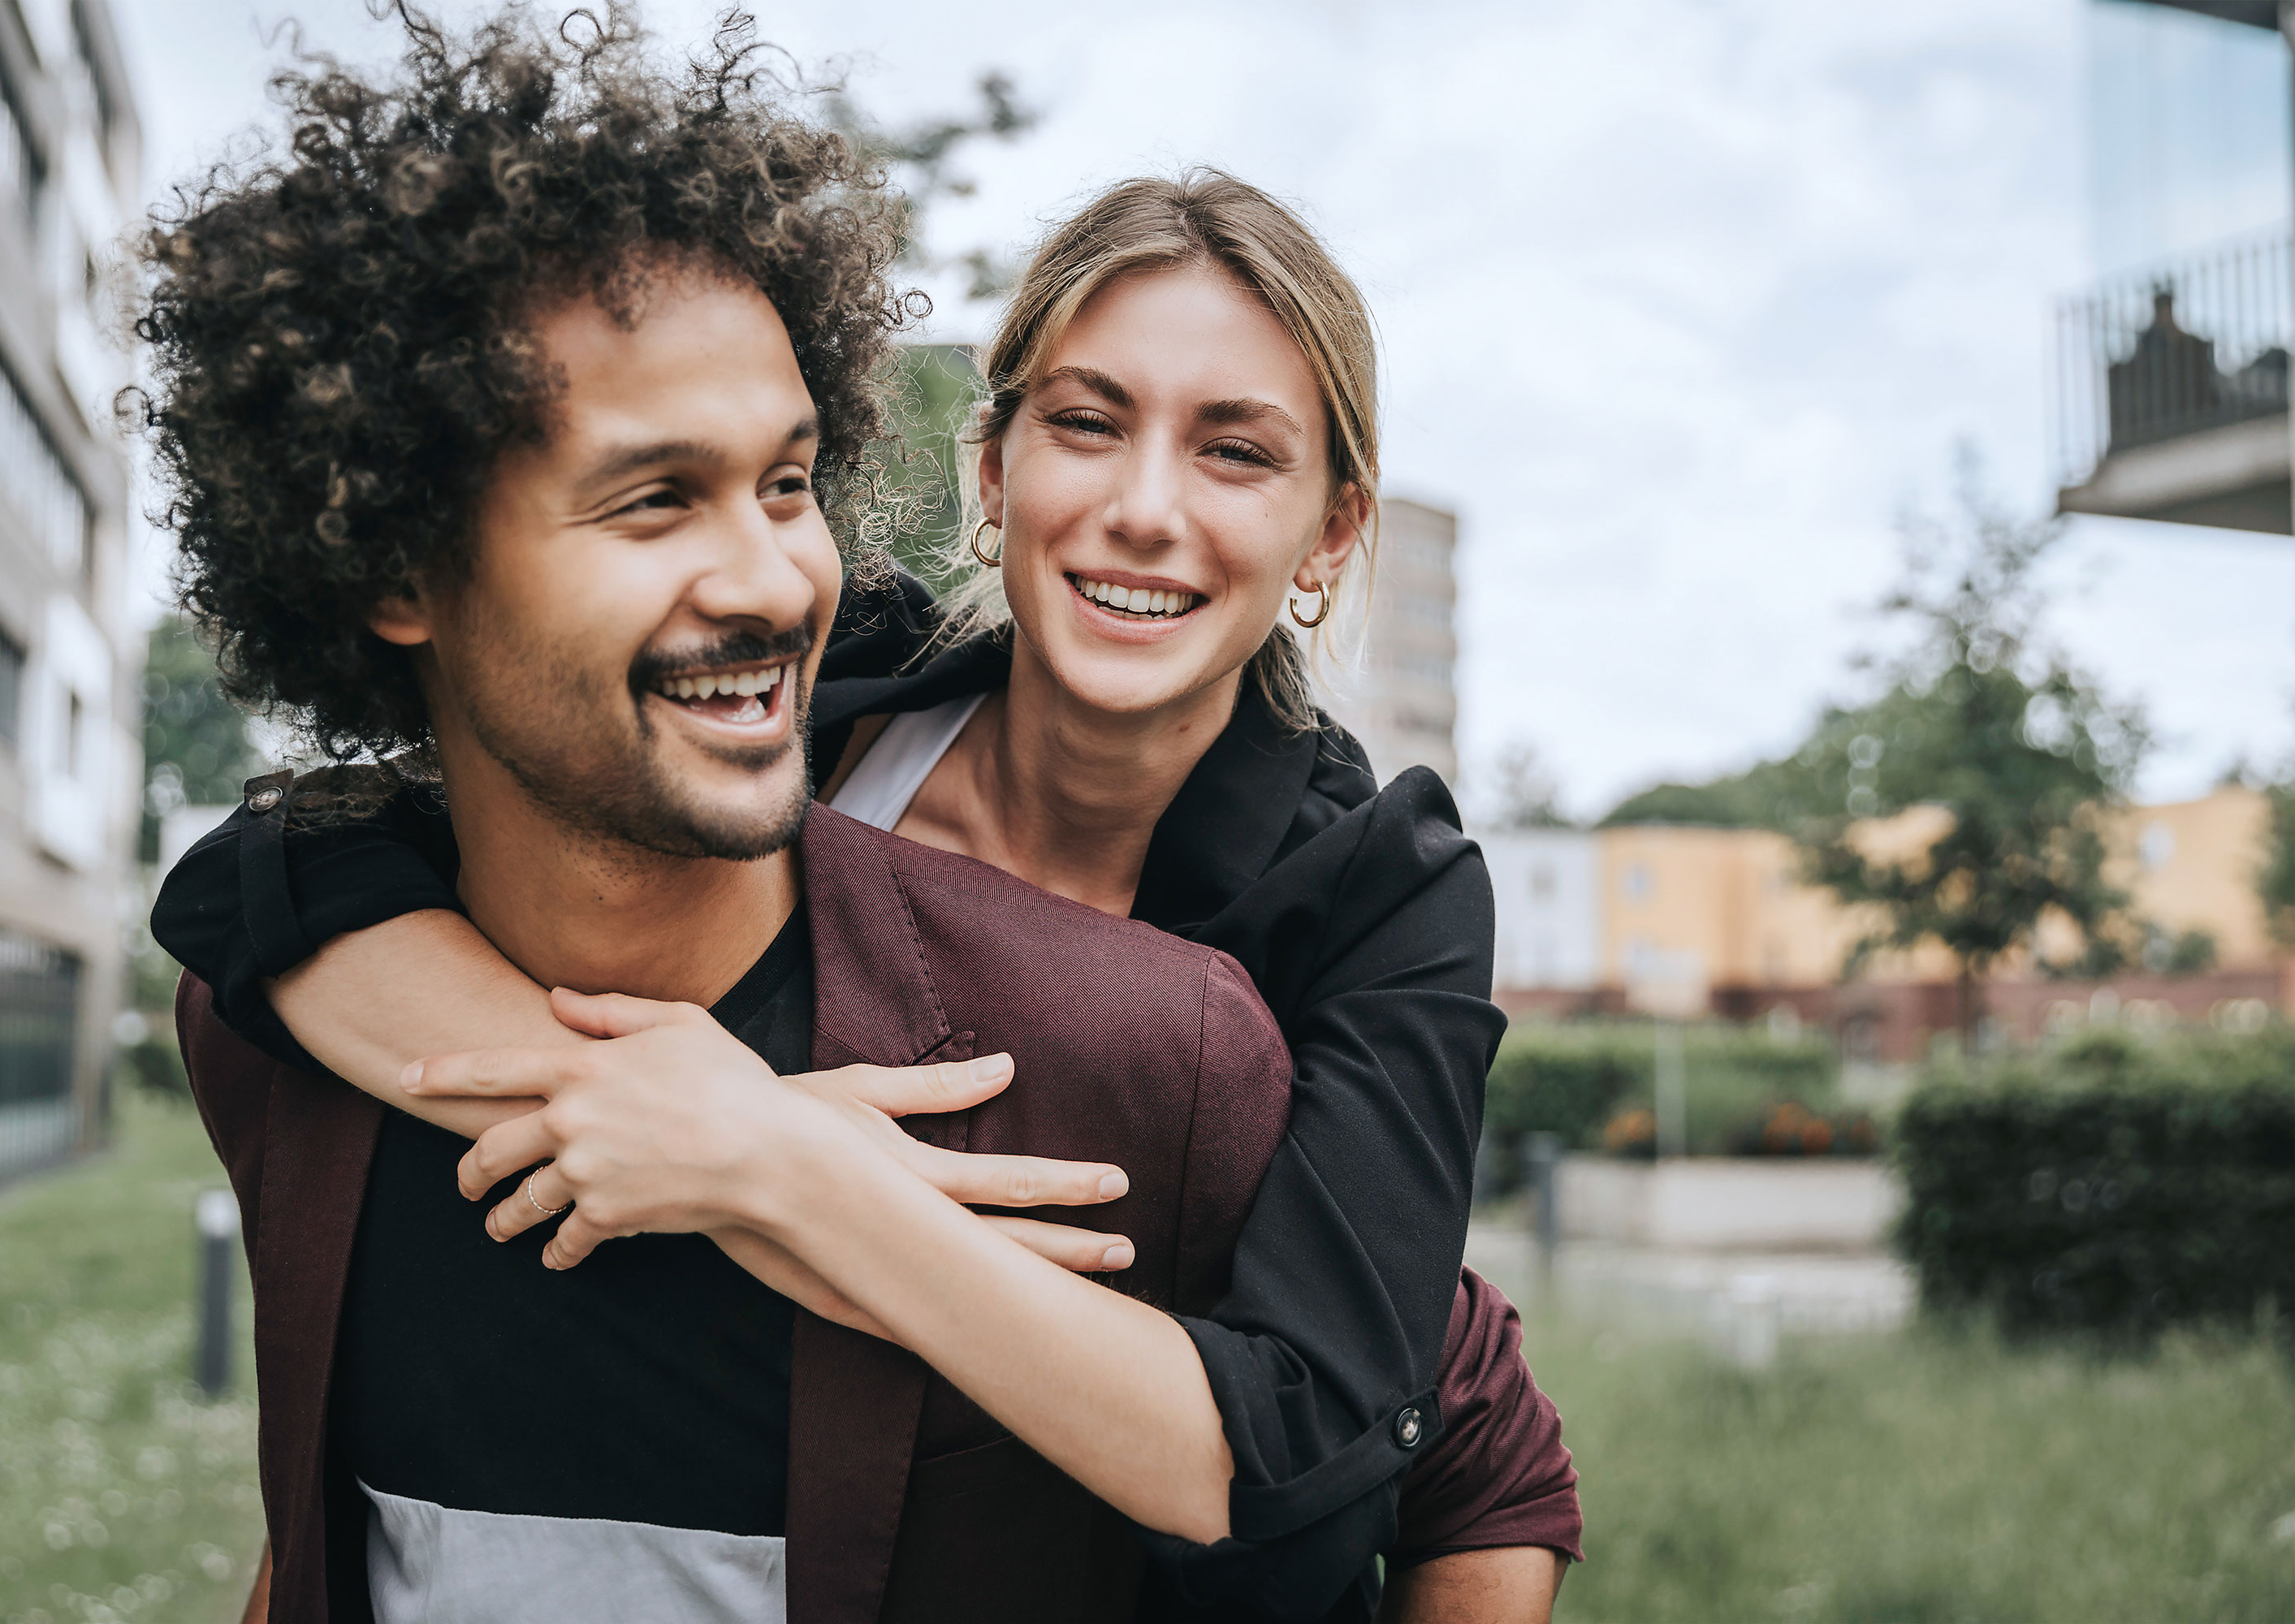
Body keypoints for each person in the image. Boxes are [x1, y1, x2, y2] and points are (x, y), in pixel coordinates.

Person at [151, 9, 1578, 1623]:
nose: (1145, 507)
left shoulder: (1359, 907)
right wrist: (613, 1086)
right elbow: (255, 885)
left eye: (1235, 452)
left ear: (1334, 532)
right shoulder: (825, 701)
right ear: (993, 461)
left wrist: (778, 1159)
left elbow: (1427, 1408)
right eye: (1090, 421)